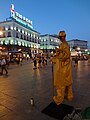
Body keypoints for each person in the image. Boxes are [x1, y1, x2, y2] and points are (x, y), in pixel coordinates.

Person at [52, 31, 74, 105]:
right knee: (67, 82)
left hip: (62, 68)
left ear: (64, 36)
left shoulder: (65, 45)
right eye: (60, 37)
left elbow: (66, 56)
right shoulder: (63, 45)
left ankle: (59, 98)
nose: (61, 38)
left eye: (61, 37)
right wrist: (58, 52)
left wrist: (55, 58)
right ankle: (69, 96)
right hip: (65, 67)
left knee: (60, 83)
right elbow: (62, 54)